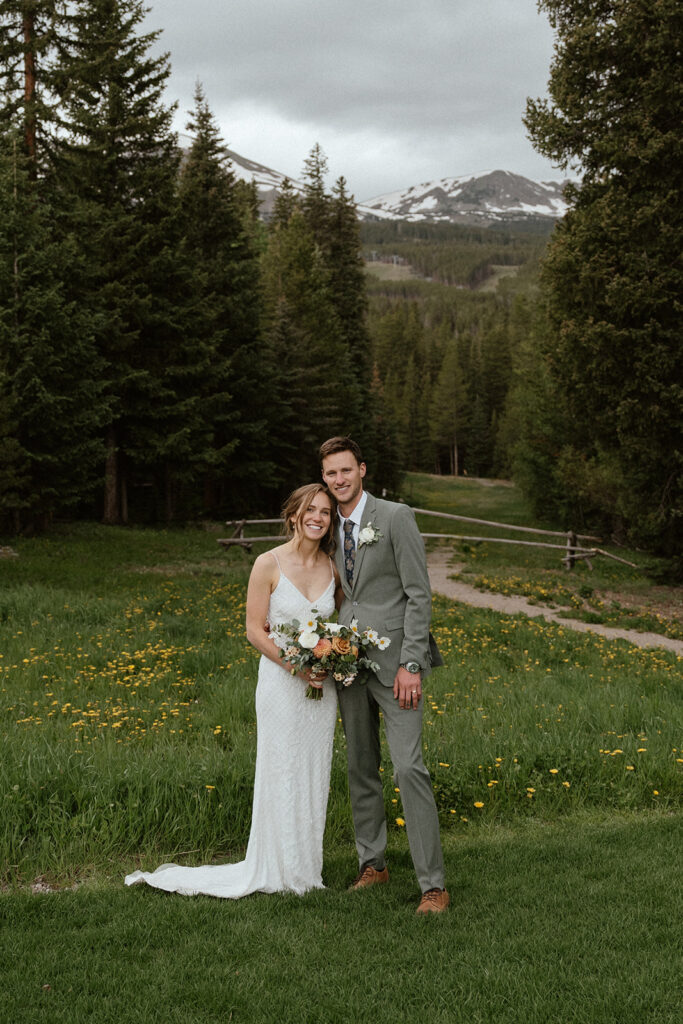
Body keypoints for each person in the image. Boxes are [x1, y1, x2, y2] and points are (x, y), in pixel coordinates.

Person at [125, 483, 341, 898]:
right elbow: (252, 630)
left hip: (321, 689)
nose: (317, 517)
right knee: (282, 769)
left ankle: (306, 871)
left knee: (314, 772)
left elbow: (335, 629)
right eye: (310, 509)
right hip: (282, 683)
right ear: (294, 514)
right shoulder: (267, 563)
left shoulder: (332, 568)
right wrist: (296, 667)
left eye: (326, 512)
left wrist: (331, 661)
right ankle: (275, 869)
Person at [320, 436, 449, 914]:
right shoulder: (325, 524)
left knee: (409, 767)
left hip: (397, 667)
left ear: (363, 470)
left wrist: (412, 664)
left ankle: (433, 884)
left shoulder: (396, 518)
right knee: (360, 766)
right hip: (347, 665)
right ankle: (372, 863)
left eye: (346, 471)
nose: (339, 480)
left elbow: (419, 595)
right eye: (331, 473)